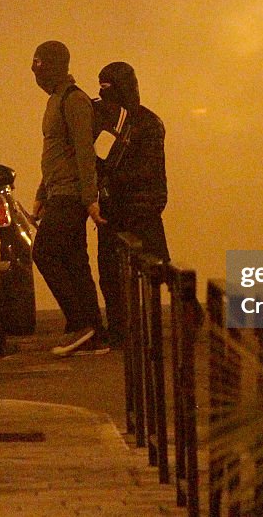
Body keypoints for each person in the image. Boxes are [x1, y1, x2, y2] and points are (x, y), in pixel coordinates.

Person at [31, 40, 109, 356]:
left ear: (56, 67)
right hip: (56, 193)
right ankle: (95, 335)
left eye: (40, 66)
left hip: (70, 195)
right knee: (76, 261)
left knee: (45, 253)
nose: (36, 73)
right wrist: (41, 193)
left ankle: (81, 324)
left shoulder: (75, 101)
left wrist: (90, 199)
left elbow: (83, 152)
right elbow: (55, 153)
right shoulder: (55, 101)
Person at [92, 61, 169, 348]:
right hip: (121, 206)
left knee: (156, 267)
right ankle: (121, 329)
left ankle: (178, 317)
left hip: (140, 207)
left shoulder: (145, 123)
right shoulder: (119, 120)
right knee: (113, 272)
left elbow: (128, 166)